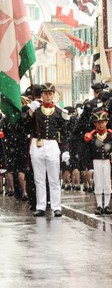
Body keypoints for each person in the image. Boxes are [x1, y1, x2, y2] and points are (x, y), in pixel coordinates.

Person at [25, 83, 69, 217]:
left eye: (50, 94)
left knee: (54, 178)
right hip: (37, 144)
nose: (48, 96)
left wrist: (66, 149)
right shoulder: (36, 110)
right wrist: (29, 112)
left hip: (52, 145)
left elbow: (65, 132)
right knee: (39, 179)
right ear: (42, 95)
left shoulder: (59, 111)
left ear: (53, 95)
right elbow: (24, 126)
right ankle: (41, 206)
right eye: (45, 93)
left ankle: (56, 206)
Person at [84, 109, 112, 215]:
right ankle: (99, 205)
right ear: (95, 124)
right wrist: (90, 166)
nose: (101, 125)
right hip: (96, 161)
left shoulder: (111, 135)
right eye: (98, 123)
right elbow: (88, 152)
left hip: (108, 161)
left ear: (106, 122)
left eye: (103, 122)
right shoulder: (91, 136)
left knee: (107, 184)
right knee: (98, 183)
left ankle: (107, 205)